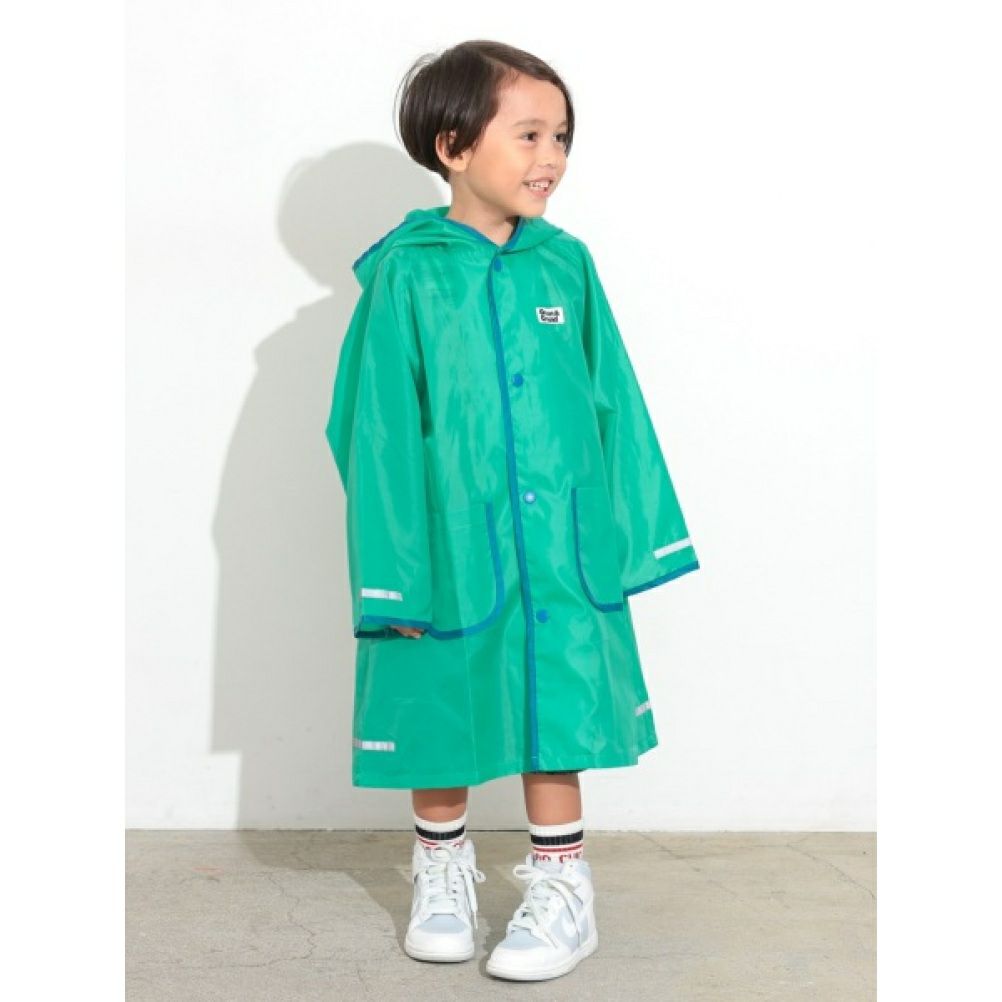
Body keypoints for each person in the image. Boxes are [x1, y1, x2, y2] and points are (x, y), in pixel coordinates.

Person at [325, 39, 700, 982]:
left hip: (559, 539)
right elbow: (373, 429)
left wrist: (633, 534)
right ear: (453, 146)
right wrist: (393, 566)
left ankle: (564, 888)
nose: (552, 158)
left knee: (556, 701)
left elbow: (614, 399)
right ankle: (441, 872)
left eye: (562, 136)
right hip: (450, 536)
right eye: (529, 135)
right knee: (439, 689)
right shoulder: (408, 273)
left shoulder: (565, 266)